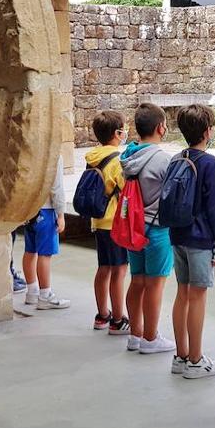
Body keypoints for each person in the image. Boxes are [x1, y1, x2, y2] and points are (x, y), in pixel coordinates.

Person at [168, 104, 215, 380]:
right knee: (198, 296)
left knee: (182, 294)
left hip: (177, 235)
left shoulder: (176, 159)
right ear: (207, 132)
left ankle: (180, 355)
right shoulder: (210, 164)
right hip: (201, 239)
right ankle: (195, 360)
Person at [120, 103, 176, 354]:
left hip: (134, 226)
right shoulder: (164, 160)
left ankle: (135, 333)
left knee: (137, 280)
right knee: (155, 284)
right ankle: (151, 338)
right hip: (157, 230)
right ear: (160, 128)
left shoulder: (128, 156)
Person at [85, 110, 131, 334]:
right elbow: (124, 189)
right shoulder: (117, 160)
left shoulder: (93, 157)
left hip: (98, 221)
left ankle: (102, 315)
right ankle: (118, 319)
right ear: (117, 133)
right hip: (115, 223)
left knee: (103, 268)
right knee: (119, 270)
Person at [23, 154, 69, 310]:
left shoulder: (30, 152)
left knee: (30, 250)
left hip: (30, 209)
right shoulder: (54, 156)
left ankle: (32, 291)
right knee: (45, 254)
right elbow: (56, 188)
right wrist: (61, 214)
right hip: (47, 210)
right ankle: (45, 295)